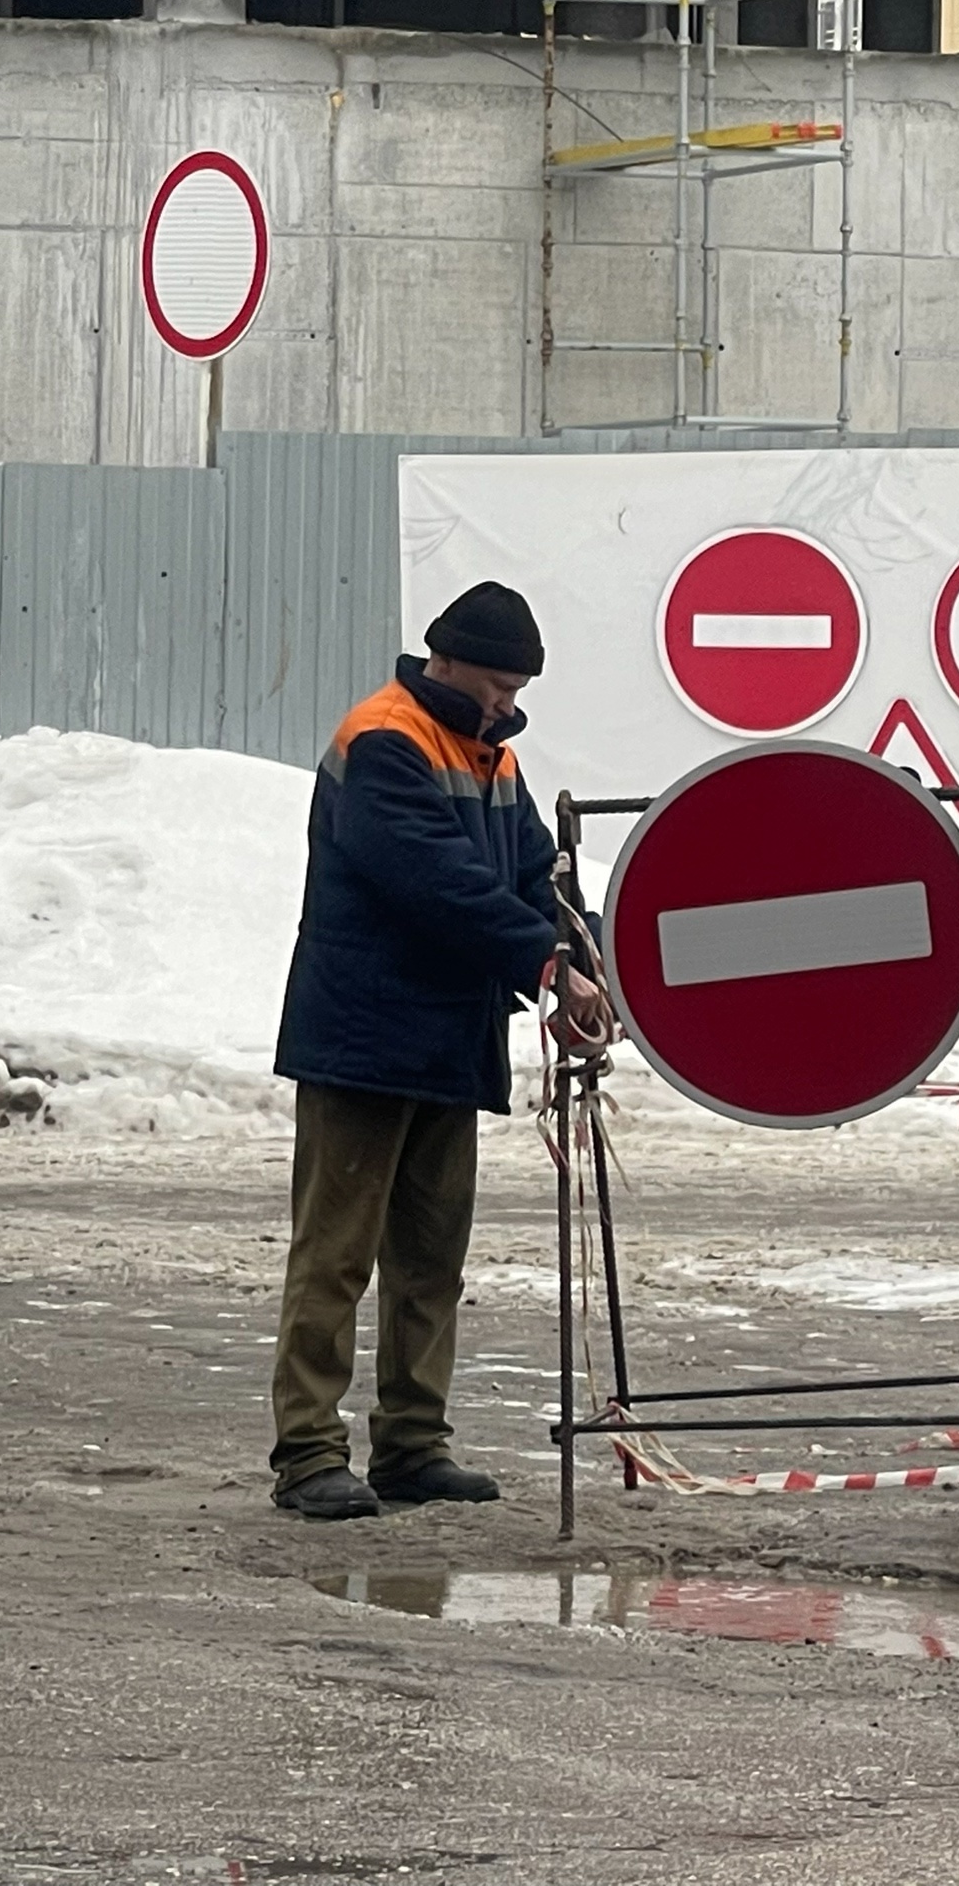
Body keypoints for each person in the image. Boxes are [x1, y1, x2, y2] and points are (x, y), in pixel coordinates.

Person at [268, 580, 603, 1517]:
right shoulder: (385, 739)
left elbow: (535, 871)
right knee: (335, 1255)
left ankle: (413, 1446)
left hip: (446, 1040)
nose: (509, 702)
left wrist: (583, 951)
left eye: (517, 687)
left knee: (429, 1259)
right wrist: (544, 962)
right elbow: (437, 881)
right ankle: (307, 1455)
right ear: (445, 660)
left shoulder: (491, 757)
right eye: (499, 684)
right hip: (364, 1039)